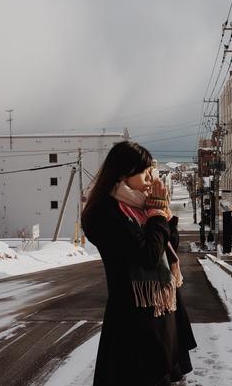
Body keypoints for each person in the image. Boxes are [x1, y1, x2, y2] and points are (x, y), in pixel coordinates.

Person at [81, 141, 196, 386]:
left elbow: (169, 245)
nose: (148, 180)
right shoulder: (104, 212)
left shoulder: (142, 206)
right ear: (124, 173)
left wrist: (162, 213)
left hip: (163, 314)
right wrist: (157, 215)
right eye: (144, 173)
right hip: (133, 321)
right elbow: (147, 255)